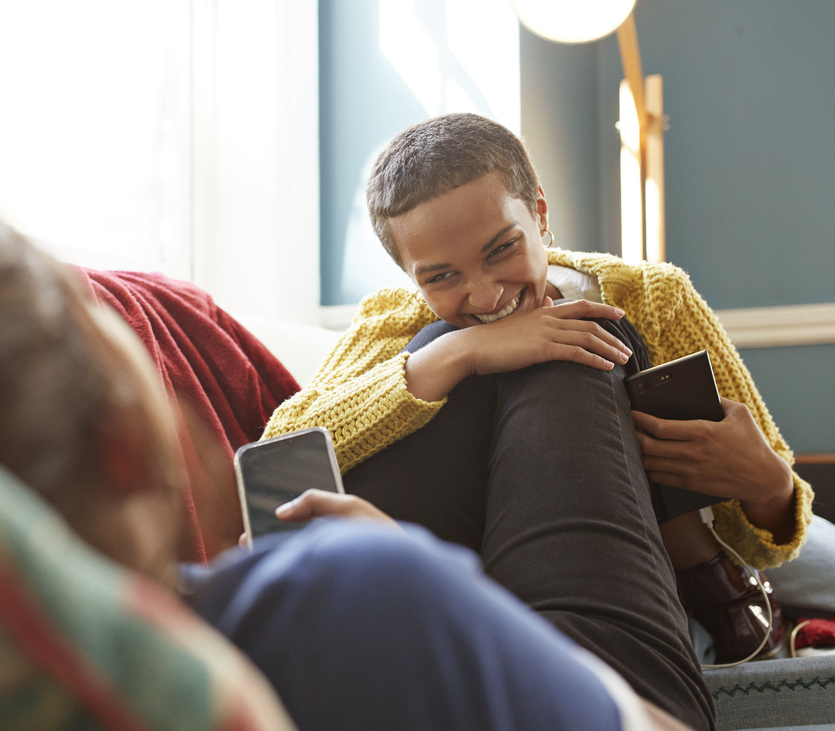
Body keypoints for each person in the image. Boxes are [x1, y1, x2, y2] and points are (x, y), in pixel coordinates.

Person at [0, 178, 690, 730]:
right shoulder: (330, 607)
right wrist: (447, 600)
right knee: (557, 318)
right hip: (612, 677)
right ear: (124, 440)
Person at [261, 113, 815, 731]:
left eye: (502, 249)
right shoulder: (391, 325)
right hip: (448, 572)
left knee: (593, 337)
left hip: (626, 577)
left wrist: (768, 484)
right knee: (434, 338)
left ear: (541, 215)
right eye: (441, 276)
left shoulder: (655, 298)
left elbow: (774, 541)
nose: (487, 295)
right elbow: (279, 455)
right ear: (408, 277)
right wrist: (456, 353)